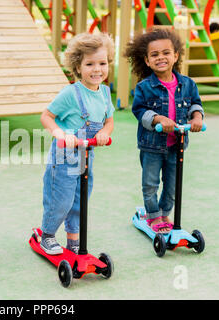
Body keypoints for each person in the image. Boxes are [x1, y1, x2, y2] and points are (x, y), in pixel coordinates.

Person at [39, 32, 115, 255]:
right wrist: (60, 134)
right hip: (64, 157)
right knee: (61, 198)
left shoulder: (105, 93)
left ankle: (73, 239)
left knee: (81, 199)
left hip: (87, 155)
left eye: (102, 63)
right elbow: (46, 116)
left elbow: (109, 121)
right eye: (89, 64)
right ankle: (48, 235)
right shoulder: (70, 93)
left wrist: (103, 132)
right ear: (78, 66)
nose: (97, 69)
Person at [124, 28, 204, 233]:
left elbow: (195, 104)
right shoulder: (144, 87)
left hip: (176, 145)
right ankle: (153, 216)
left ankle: (164, 213)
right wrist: (158, 118)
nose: (161, 57)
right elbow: (139, 110)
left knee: (172, 185)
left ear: (175, 56)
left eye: (166, 52)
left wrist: (197, 118)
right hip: (151, 145)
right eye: (155, 54)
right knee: (150, 184)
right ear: (147, 61)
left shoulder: (187, 84)